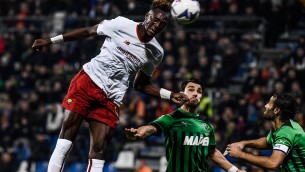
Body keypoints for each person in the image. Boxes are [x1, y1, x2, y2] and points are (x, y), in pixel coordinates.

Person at [31, 1, 189, 172]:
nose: (157, 25)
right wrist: (51, 40)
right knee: (67, 137)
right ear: (147, 16)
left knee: (99, 151)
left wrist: (170, 95)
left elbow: (141, 84)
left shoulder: (156, 52)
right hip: (88, 81)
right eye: (155, 19)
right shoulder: (122, 24)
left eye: (162, 24)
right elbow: (88, 31)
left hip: (111, 98)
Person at [125, 78, 245, 172]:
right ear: (182, 93)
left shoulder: (206, 125)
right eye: (191, 89)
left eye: (199, 91)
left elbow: (212, 152)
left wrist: (235, 170)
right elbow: (151, 128)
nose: (195, 94)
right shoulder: (171, 118)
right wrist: (139, 133)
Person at [225, 93, 305, 171]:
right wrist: (243, 143)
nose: (265, 106)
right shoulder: (282, 126)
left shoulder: (286, 132)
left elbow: (273, 163)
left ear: (276, 110)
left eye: (269, 104)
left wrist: (240, 154)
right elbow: (268, 141)